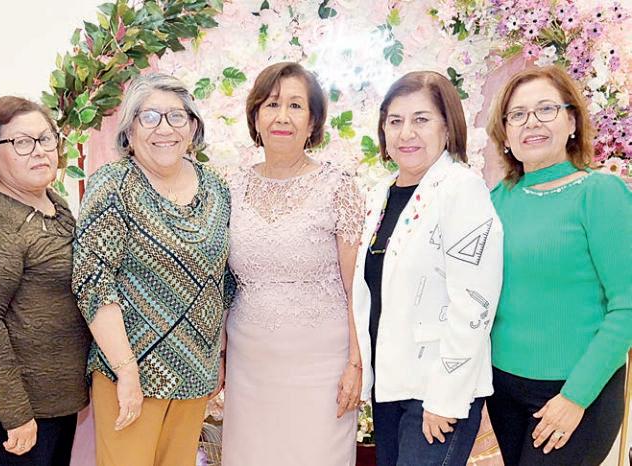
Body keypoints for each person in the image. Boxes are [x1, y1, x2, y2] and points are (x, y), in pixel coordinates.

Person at [71, 73, 232, 466]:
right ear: (130, 129)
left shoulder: (216, 188)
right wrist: (126, 371)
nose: (165, 129)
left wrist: (219, 355)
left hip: (195, 372)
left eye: (177, 117)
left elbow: (222, 280)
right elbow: (93, 281)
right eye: (150, 117)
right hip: (130, 374)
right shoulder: (113, 185)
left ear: (193, 127)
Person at [351, 71, 503, 466]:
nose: (406, 133)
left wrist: (445, 398)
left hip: (436, 391)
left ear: (447, 127)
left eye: (421, 119)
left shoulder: (461, 189)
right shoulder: (381, 195)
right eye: (395, 121)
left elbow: (475, 301)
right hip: (390, 385)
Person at [485, 65, 632, 466]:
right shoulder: (497, 199)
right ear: (505, 134)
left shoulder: (601, 193)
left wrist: (574, 397)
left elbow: (627, 306)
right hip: (505, 392)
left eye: (546, 109)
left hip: (577, 395)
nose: (531, 122)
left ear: (572, 121)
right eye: (518, 114)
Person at [221, 62, 365, 466]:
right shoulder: (230, 188)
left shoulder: (338, 188)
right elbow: (221, 281)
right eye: (271, 104)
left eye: (295, 105)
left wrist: (356, 364)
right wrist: (220, 355)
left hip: (321, 368)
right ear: (255, 117)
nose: (282, 116)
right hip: (249, 367)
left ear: (313, 120)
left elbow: (357, 288)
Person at [0, 96, 92, 465]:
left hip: (58, 398)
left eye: (46, 138)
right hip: (20, 407)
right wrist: (15, 415)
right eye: (21, 142)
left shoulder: (53, 203)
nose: (40, 151)